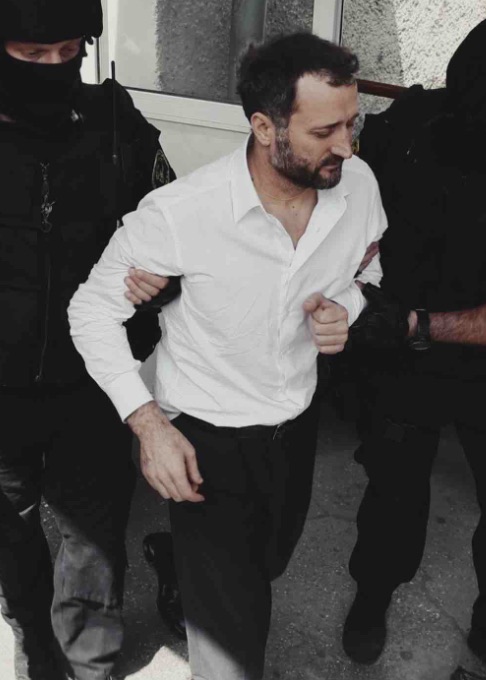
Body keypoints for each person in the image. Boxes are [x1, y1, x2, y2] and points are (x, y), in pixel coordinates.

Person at [68, 32, 386, 680]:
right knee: (234, 643)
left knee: (268, 561)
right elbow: (90, 311)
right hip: (204, 437)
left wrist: (347, 309)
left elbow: (369, 269)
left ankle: (178, 563)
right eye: (325, 131)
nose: (347, 147)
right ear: (265, 127)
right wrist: (148, 424)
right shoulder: (181, 213)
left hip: (295, 424)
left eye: (352, 124)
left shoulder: (358, 184)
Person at [342, 10, 486, 680]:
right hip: (400, 351)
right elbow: (344, 209)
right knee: (394, 489)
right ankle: (373, 594)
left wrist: (422, 325)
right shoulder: (412, 124)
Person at [0, 2, 175, 679]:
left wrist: (161, 278)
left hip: (95, 379)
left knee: (95, 534)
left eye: (68, 51)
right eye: (30, 54)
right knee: (11, 531)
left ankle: (89, 660)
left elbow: (171, 223)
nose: (53, 67)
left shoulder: (114, 123)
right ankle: (36, 647)